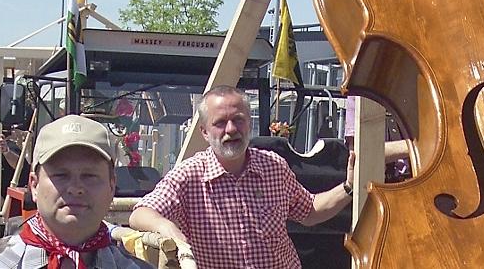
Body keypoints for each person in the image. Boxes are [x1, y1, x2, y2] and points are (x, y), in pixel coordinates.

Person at [129, 85, 355, 269]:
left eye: (238, 119)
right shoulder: (189, 176)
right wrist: (167, 227)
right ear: (204, 132)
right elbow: (140, 213)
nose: (231, 129)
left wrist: (348, 187)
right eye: (219, 123)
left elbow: (310, 211)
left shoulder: (274, 167)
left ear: (249, 122)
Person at [0, 115, 153, 269]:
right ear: (34, 186)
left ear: (112, 186)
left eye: (90, 175)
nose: (76, 188)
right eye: (60, 175)